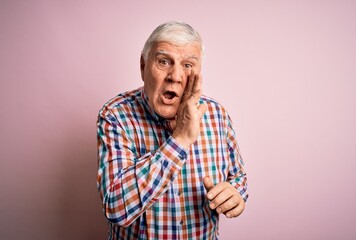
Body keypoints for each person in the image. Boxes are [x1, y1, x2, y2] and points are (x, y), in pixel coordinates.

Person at [97, 21, 248, 239]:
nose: (175, 76)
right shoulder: (115, 116)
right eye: (164, 61)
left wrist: (235, 194)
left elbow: (239, 178)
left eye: (188, 65)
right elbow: (116, 208)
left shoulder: (217, 114)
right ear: (143, 66)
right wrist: (180, 140)